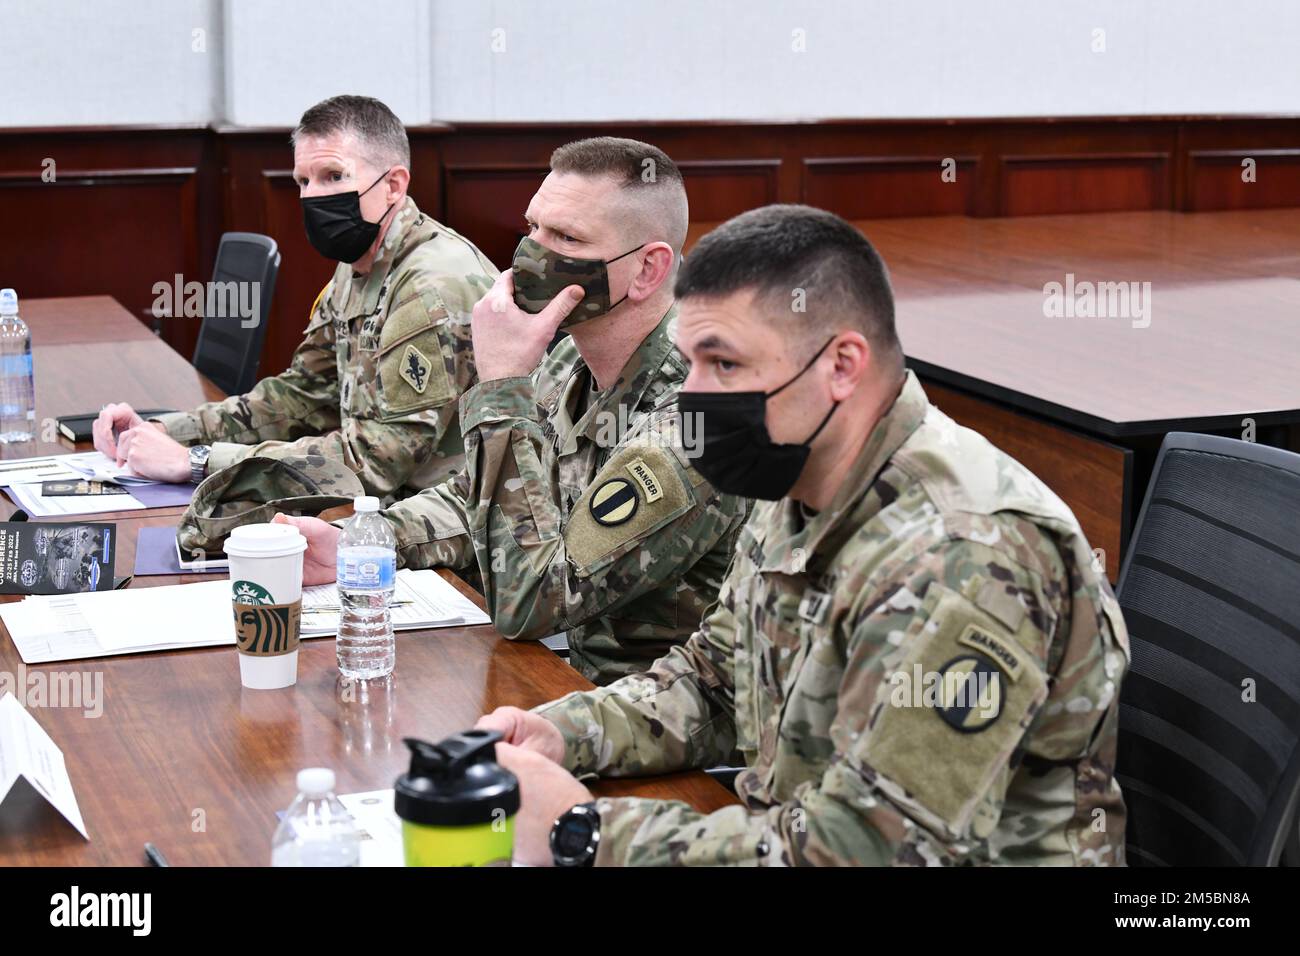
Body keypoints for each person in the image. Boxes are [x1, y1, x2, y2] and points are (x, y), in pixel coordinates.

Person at [475, 204, 1131, 866]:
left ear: (842, 365)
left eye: (724, 365)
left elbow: (866, 848)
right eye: (690, 363)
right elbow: (715, 684)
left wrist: (581, 832)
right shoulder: (801, 471)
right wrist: (563, 733)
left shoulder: (963, 554)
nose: (692, 399)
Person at [277, 137, 750, 685]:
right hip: (565, 683)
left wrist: (502, 385)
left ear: (647, 270)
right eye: (533, 229)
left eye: (567, 238)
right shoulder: (570, 353)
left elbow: (532, 601)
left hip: (655, 723)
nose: (531, 255)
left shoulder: (698, 411)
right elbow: (480, 500)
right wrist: (365, 543)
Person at [93, 94, 497, 500]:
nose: (313, 196)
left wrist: (197, 462)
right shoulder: (360, 261)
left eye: (333, 176)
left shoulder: (430, 286)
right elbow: (301, 395)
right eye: (303, 181)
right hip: (385, 512)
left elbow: (376, 462)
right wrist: (166, 430)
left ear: (393, 185)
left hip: (452, 532)